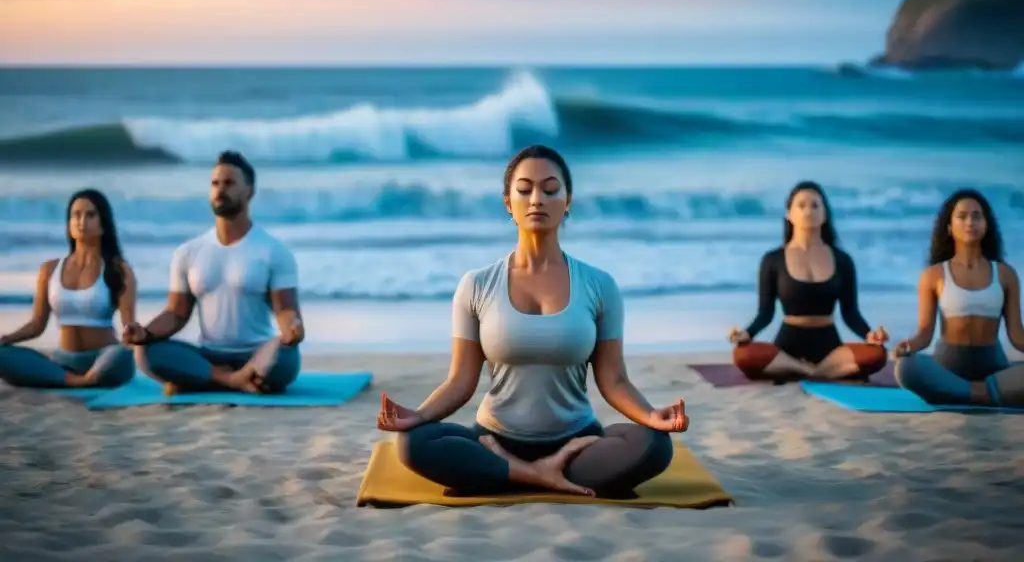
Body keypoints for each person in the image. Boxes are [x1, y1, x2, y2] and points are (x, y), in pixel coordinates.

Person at [376, 144, 684, 499]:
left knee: (655, 445)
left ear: (568, 200)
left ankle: (510, 474)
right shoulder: (476, 285)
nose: (537, 198)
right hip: (493, 439)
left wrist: (650, 415)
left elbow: (613, 380)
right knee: (413, 443)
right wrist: (419, 415)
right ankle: (535, 474)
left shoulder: (600, 285)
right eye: (524, 190)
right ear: (508, 202)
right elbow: (461, 380)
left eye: (551, 190)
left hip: (577, 442)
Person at [122, 151, 303, 395]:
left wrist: (292, 327)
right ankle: (234, 380)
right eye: (215, 183)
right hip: (208, 356)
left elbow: (285, 309)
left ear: (249, 191)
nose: (220, 189)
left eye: (229, 183)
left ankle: (203, 379)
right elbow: (176, 313)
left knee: (284, 355)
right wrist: (145, 332)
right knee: (145, 352)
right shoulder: (188, 252)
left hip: (258, 354)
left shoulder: (273, 251)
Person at [729, 181, 889, 381]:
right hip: (787, 347)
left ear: (824, 214)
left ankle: (807, 372)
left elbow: (850, 313)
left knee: (878, 354)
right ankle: (809, 371)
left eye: (815, 205)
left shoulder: (842, 260)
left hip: (830, 348)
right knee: (742, 354)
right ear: (789, 214)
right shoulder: (773, 260)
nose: (808, 211)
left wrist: (870, 335)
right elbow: (765, 313)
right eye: (801, 205)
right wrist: (747, 333)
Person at [892, 189, 1024, 407]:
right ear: (950, 227)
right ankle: (988, 394)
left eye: (976, 215)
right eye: (962, 216)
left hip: (993, 366)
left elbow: (1017, 336)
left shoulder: (1005, 274)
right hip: (948, 367)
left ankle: (961, 394)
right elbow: (925, 333)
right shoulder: (933, 275)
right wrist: (907, 346)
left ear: (986, 224)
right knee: (906, 368)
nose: (970, 221)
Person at [0, 189, 136, 389]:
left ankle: (78, 378)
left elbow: (128, 328)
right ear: (69, 223)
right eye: (76, 215)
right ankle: (79, 380)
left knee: (122, 354)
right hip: (63, 361)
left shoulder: (119, 269)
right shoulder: (50, 269)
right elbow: (37, 324)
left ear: (103, 224)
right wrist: (8, 338)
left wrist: (136, 338)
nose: (82, 222)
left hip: (104, 358)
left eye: (90, 215)